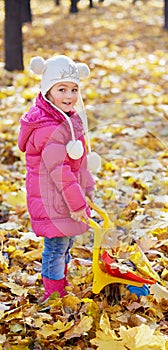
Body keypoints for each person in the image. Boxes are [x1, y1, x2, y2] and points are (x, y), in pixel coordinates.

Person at [18, 55, 101, 301]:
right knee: (55, 249)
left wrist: (87, 189)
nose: (69, 95)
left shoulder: (67, 118)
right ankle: (53, 296)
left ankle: (59, 284)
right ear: (47, 91)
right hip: (53, 200)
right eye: (61, 89)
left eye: (74, 89)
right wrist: (76, 204)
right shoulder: (48, 127)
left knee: (64, 246)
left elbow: (78, 161)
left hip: (65, 196)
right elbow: (60, 172)